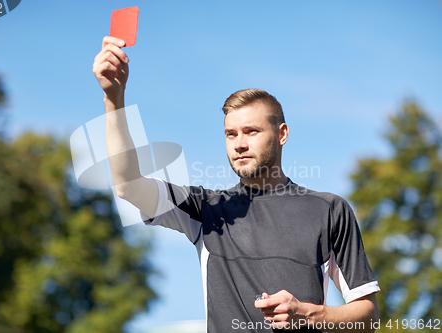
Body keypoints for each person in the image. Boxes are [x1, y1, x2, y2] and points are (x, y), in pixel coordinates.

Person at [93, 36, 380, 333]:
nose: (239, 144)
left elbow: (368, 316)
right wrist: (114, 99)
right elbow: (128, 185)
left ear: (282, 134)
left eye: (251, 131)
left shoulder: (329, 209)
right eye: (231, 134)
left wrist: (307, 314)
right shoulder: (206, 209)